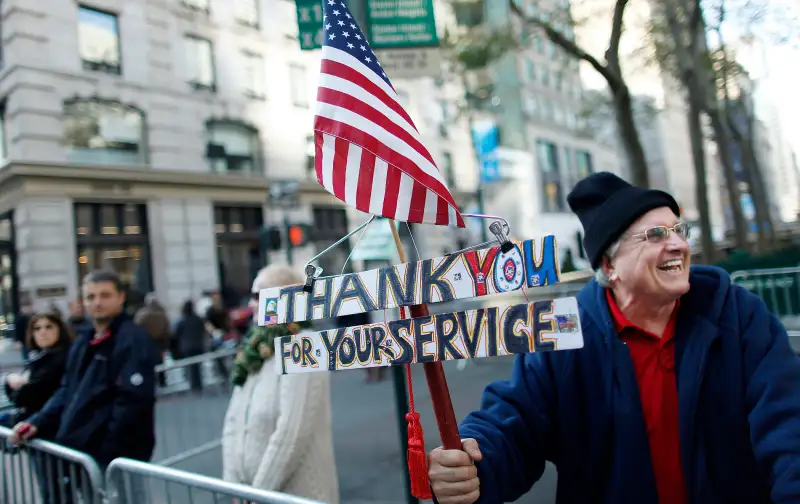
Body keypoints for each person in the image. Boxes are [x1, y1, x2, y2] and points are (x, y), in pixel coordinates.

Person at [427, 172, 800, 504]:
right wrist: (475, 461)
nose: (678, 245)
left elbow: (788, 423)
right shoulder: (560, 332)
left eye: (678, 231)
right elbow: (513, 420)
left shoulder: (738, 315)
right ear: (609, 265)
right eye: (655, 235)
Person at [10, 269, 160, 473]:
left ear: (120, 298)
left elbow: (132, 403)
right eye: (91, 297)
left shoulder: (133, 340)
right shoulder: (83, 341)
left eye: (105, 295)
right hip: (83, 456)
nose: (97, 302)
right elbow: (67, 388)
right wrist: (37, 421)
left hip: (114, 460)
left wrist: (107, 451)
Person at [222, 264, 339, 503]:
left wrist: (256, 494)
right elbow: (233, 421)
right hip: (250, 493)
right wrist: (232, 486)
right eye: (251, 295)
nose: (252, 304)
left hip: (295, 494)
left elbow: (291, 433)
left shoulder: (305, 345)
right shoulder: (255, 347)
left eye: (260, 295)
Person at [1, 311, 73, 427]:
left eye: (49, 327)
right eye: (37, 328)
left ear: (59, 329)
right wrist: (10, 379)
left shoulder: (61, 357)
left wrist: (13, 381)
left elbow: (24, 397)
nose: (43, 332)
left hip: (47, 422)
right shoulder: (38, 356)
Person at [134, 293, 171, 387]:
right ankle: (162, 383)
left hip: (146, 343)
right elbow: (167, 329)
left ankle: (150, 383)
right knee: (160, 364)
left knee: (148, 364)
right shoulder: (162, 313)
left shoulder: (143, 314)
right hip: (160, 342)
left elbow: (135, 328)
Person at [173, 299, 207, 392]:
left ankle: (193, 385)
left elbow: (175, 333)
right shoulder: (197, 319)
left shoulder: (181, 320)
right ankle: (198, 385)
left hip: (186, 346)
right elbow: (203, 330)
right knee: (197, 367)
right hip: (198, 345)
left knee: (189, 367)